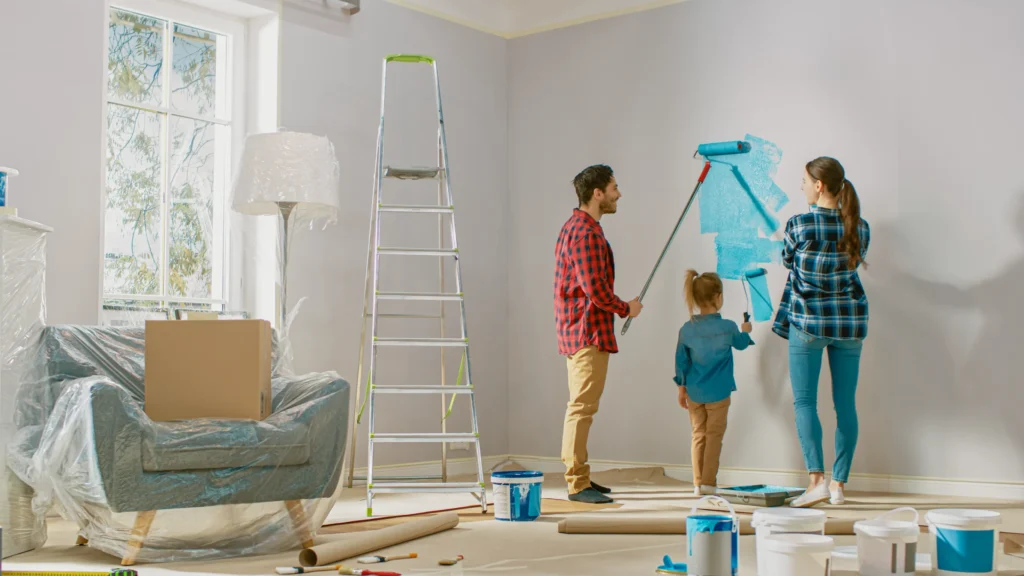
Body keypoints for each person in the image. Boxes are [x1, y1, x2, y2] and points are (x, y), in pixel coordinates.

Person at [773, 156, 870, 508]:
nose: (800, 186)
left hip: (808, 324)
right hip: (848, 324)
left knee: (804, 401)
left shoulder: (798, 225)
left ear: (819, 185)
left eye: (803, 180)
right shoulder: (861, 228)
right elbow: (854, 264)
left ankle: (816, 481)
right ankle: (839, 486)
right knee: (845, 404)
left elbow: (787, 261)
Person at [553, 164, 642, 504]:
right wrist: (626, 308)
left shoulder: (574, 227)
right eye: (614, 187)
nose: (619, 194)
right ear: (597, 193)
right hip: (587, 332)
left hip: (581, 330)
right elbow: (596, 291)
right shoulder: (587, 233)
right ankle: (577, 483)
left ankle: (582, 477)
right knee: (581, 407)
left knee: (583, 406)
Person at [674, 270, 753, 496]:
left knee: (698, 435)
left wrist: (681, 389)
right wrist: (746, 331)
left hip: (695, 392)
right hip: (719, 392)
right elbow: (741, 344)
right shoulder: (728, 327)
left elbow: (681, 362)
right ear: (718, 297)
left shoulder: (687, 329)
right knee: (714, 436)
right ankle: (709, 483)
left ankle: (698, 484)